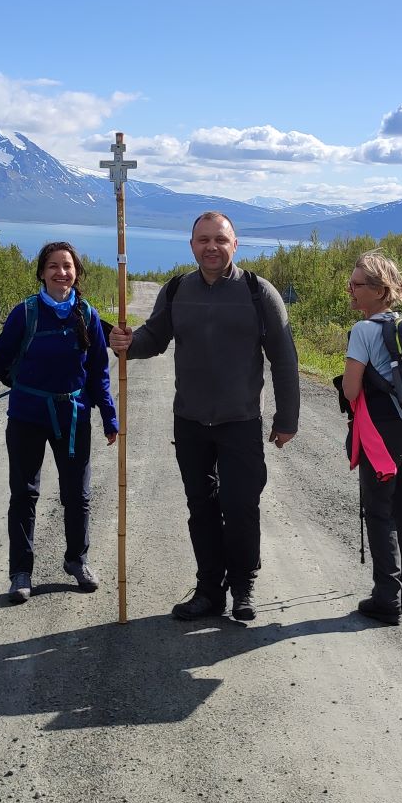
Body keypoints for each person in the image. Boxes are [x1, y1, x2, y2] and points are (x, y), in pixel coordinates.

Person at [108, 212, 299, 622]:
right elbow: (153, 338)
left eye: (220, 239)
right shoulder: (178, 289)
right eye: (203, 240)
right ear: (192, 245)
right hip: (191, 421)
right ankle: (210, 590)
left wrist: (287, 419)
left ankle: (243, 587)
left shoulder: (258, 293)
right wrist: (127, 343)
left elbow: (284, 359)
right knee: (202, 508)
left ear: (235, 245)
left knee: (241, 506)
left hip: (240, 421)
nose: (212, 247)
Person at [0, 242, 119, 604]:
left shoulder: (87, 314)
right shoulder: (25, 312)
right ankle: (21, 573)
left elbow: (98, 372)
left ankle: (77, 560)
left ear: (76, 273)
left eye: (68, 266)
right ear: (42, 272)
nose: (61, 272)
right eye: (54, 266)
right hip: (27, 415)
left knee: (78, 495)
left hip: (73, 417)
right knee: (24, 494)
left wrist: (109, 415)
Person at [339, 251, 402, 625]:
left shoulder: (364, 331)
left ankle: (386, 599)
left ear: (380, 291)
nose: (350, 290)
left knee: (379, 511)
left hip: (383, 431)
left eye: (356, 284)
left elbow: (350, 390)